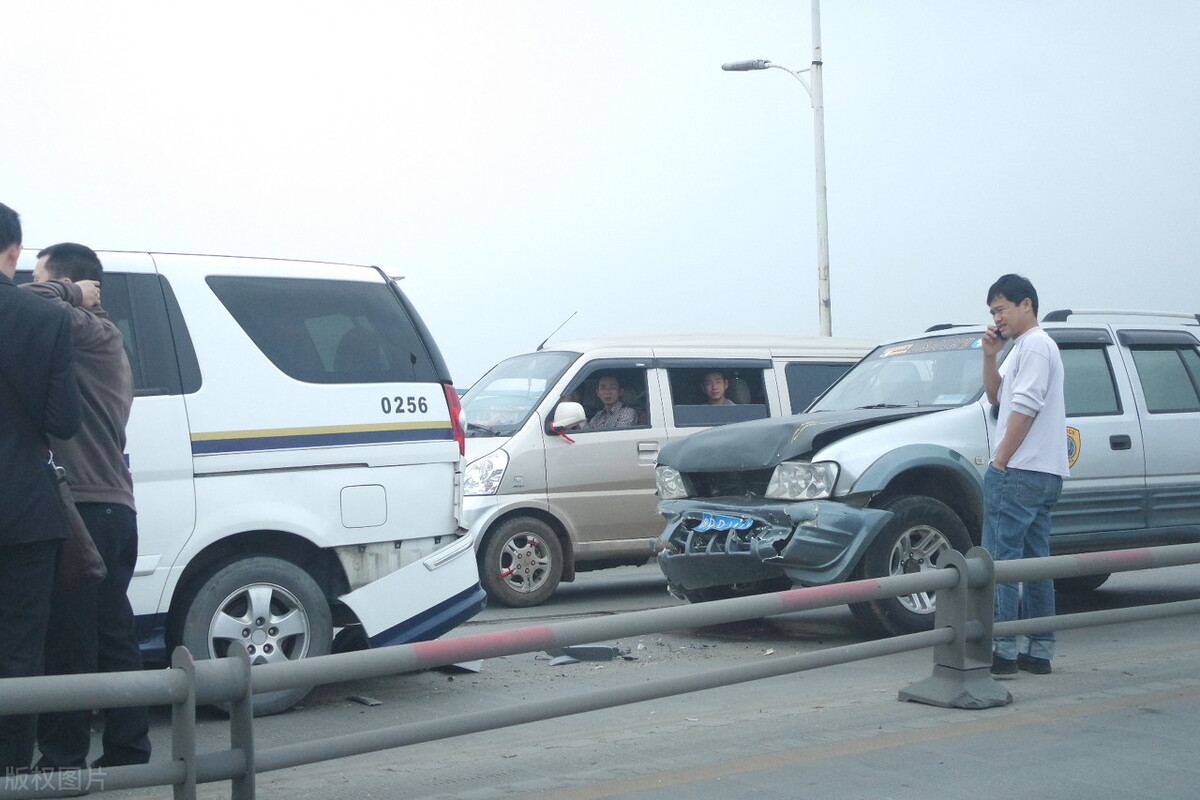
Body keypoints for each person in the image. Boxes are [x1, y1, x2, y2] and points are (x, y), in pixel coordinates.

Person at [24, 243, 152, 770]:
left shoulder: (88, 329)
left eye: (44, 275)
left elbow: (19, 303)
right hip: (110, 508)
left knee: (70, 642)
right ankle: (128, 751)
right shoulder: (98, 337)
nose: (33, 282)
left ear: (73, 286)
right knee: (110, 635)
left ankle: (62, 761)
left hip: (86, 509)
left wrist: (67, 291)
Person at [0, 204, 82, 776]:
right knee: (20, 650)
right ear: (14, 251)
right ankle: (9, 771)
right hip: (24, 510)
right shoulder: (44, 320)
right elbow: (64, 420)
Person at [981, 273, 1069, 676]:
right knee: (1036, 564)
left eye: (1001, 309)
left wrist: (1000, 461)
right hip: (1045, 472)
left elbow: (1025, 407)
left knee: (1001, 562)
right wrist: (990, 355)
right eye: (993, 312)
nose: (997, 318)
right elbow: (998, 397)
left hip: (1019, 471)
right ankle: (1040, 650)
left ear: (1026, 304)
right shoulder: (1024, 349)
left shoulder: (1034, 346)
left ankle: (1003, 649)